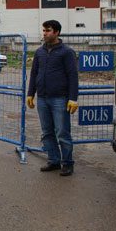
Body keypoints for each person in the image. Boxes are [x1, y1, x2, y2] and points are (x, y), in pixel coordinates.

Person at [26, 20, 79, 176]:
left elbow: (73, 76)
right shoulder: (39, 52)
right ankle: (54, 160)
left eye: (48, 30)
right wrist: (30, 93)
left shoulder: (66, 52)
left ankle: (68, 163)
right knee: (47, 132)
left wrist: (73, 98)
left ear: (56, 32)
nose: (44, 33)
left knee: (62, 133)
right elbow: (34, 73)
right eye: (43, 30)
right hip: (42, 98)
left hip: (60, 99)